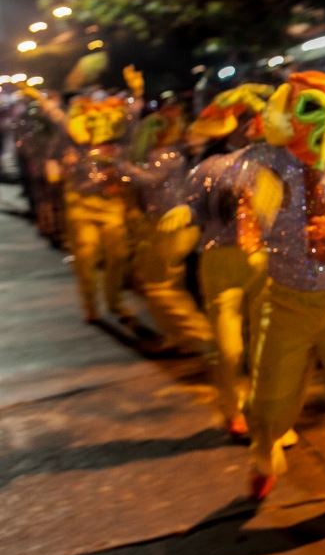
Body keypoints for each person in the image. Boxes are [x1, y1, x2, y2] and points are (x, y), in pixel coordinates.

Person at [161, 71, 325, 529]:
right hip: (287, 299)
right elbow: (211, 170)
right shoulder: (264, 159)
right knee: (271, 402)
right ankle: (264, 448)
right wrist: (188, 203)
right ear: (285, 114)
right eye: (308, 109)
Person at [179, 84, 275, 437]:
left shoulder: (278, 163)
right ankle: (232, 407)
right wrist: (183, 214)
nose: (251, 126)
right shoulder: (210, 167)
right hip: (220, 261)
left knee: (267, 345)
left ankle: (267, 415)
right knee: (229, 347)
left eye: (255, 119)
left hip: (266, 260)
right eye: (244, 120)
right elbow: (191, 205)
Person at [24, 73, 142, 323]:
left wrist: (137, 93)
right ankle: (90, 305)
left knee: (118, 255)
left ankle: (115, 303)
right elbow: (57, 117)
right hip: (80, 202)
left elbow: (132, 119)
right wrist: (39, 98)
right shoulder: (74, 137)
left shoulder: (119, 141)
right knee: (86, 257)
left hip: (112, 203)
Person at [121, 102, 215, 356]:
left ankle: (201, 336)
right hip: (164, 222)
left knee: (161, 285)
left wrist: (122, 167)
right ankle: (178, 335)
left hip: (172, 224)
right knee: (157, 282)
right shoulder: (173, 151)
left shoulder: (167, 155)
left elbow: (149, 178)